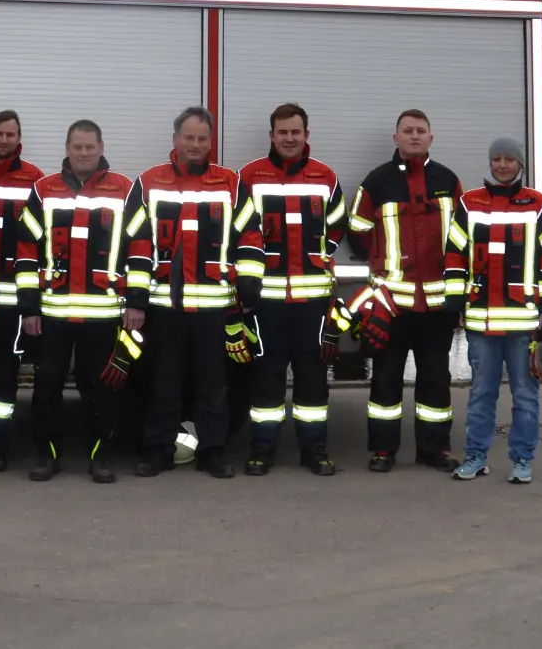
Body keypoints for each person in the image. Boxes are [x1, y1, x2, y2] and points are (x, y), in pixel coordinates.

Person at [124, 107, 264, 479]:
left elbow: (250, 235)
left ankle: (212, 451)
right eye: (189, 137)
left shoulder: (231, 184)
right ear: (175, 140)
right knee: (162, 383)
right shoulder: (149, 183)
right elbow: (137, 245)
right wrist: (136, 300)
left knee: (213, 385)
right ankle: (158, 450)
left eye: (203, 139)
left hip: (214, 308)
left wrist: (249, 283)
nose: (196, 145)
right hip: (163, 308)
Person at [15, 120, 134, 483]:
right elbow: (25, 254)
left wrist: (136, 303)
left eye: (89, 147)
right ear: (67, 149)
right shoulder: (43, 190)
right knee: (46, 385)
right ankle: (47, 456)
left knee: (102, 387)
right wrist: (29, 308)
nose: (84, 153)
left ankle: (101, 457)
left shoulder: (125, 190)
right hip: (52, 313)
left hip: (104, 313)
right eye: (77, 147)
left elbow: (141, 250)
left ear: (101, 147)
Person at [443, 136, 542, 484]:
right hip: (480, 323)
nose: (501, 165)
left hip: (525, 322)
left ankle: (522, 459)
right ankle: (476, 457)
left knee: (525, 396)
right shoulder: (469, 204)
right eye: (496, 158)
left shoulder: (540, 206)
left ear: (519, 164)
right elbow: (454, 254)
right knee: (481, 394)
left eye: (508, 159)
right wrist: (453, 299)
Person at [346, 109, 464, 472]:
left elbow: (463, 236)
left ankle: (434, 449)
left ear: (431, 137)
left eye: (421, 131)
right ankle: (383, 450)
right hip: (390, 303)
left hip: (437, 304)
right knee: (385, 380)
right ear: (395, 138)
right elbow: (357, 229)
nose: (414, 136)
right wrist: (383, 261)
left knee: (435, 381)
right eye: (407, 131)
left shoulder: (448, 180)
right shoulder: (377, 182)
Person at [237, 103, 346, 476]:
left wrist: (317, 258)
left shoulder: (325, 177)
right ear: (271, 136)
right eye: (282, 132)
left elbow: (336, 228)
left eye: (295, 132)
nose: (288, 138)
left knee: (312, 379)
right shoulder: (248, 177)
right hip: (265, 301)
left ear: (306, 135)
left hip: (312, 301)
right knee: (266, 378)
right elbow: (240, 231)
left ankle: (314, 451)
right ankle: (262, 450)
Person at [0, 110, 45, 472]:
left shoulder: (36, 181)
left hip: (14, 295)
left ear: (19, 138)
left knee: (3, 376)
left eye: (10, 134)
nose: (3, 140)